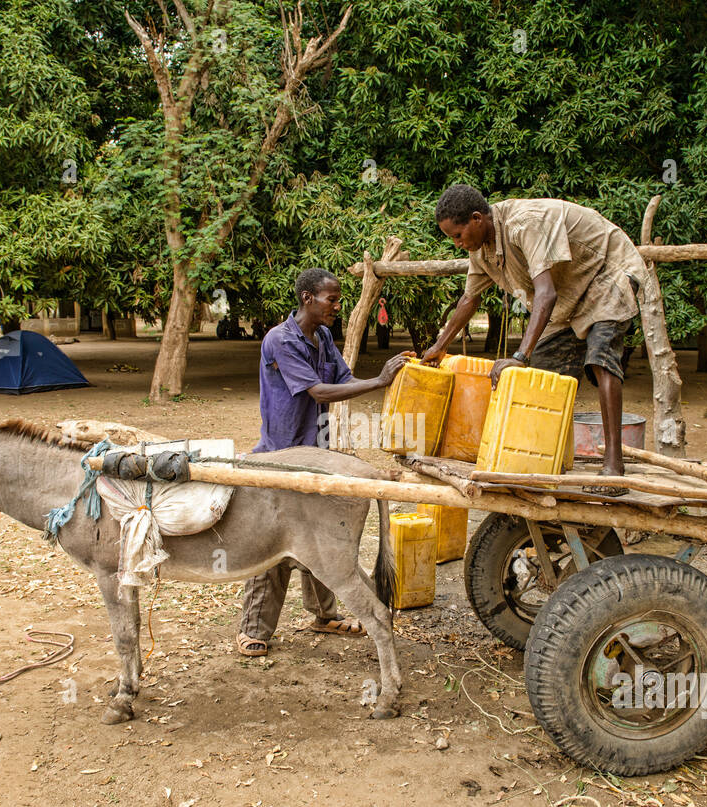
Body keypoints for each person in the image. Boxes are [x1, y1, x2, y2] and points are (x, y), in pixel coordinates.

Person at [421, 185, 647, 487]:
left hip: (607, 273)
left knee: (600, 357)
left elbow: (546, 293)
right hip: (572, 294)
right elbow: (469, 300)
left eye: (457, 235)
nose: (457, 244)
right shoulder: (481, 250)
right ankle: (544, 457)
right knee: (541, 371)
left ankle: (614, 467)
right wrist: (439, 347)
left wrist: (519, 356)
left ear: (477, 219)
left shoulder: (524, 223)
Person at [236, 268, 409, 657]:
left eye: (338, 298)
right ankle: (254, 629)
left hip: (316, 453)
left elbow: (344, 380)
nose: (337, 305)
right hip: (281, 456)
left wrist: (395, 381)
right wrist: (380, 382)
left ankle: (323, 614)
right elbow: (317, 391)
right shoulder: (281, 340)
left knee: (320, 535)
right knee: (276, 545)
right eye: (331, 299)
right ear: (306, 299)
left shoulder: (324, 337)